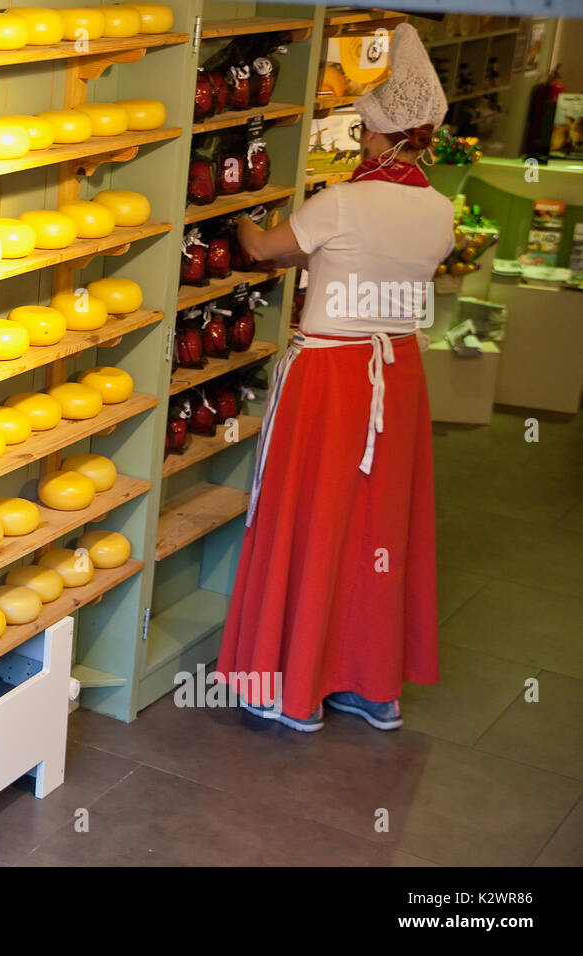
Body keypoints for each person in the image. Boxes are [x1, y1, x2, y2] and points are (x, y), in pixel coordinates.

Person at [217, 23, 454, 732]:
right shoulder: (439, 211)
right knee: (376, 528)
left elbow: (266, 252)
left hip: (330, 374)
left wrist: (237, 218)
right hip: (397, 373)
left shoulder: (345, 202)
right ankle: (370, 685)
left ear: (376, 138)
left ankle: (286, 687)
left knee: (307, 521)